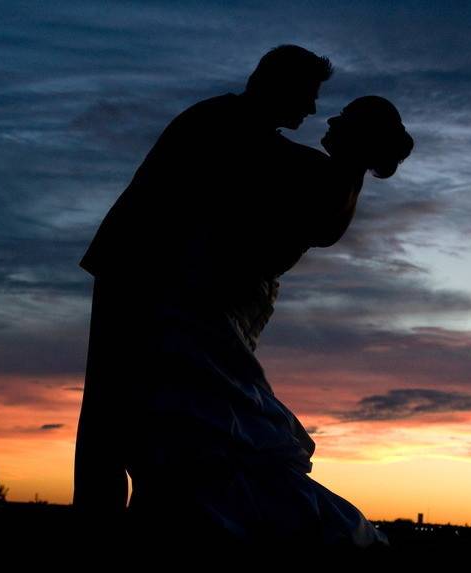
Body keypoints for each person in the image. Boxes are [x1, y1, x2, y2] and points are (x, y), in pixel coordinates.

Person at [73, 45, 335, 516]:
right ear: (278, 85)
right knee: (113, 412)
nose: (313, 109)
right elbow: (288, 169)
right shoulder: (224, 124)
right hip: (138, 277)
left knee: (138, 410)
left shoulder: (231, 124)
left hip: (149, 276)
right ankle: (102, 526)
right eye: (308, 95)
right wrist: (346, 161)